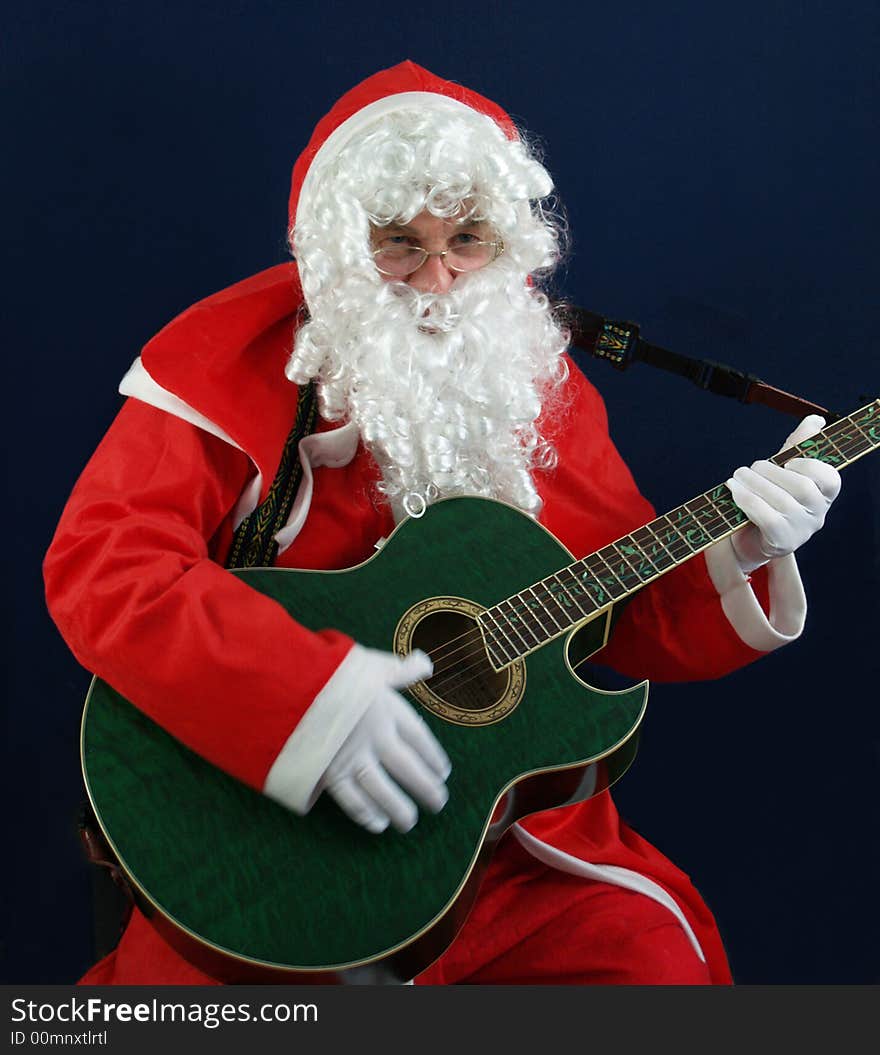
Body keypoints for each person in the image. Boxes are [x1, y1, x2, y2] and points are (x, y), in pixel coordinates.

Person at [44, 60, 841, 986]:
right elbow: (106, 569)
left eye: (468, 238)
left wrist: (741, 545)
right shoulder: (223, 367)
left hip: (501, 854)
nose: (437, 276)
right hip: (254, 835)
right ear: (339, 249)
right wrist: (305, 699)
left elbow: (616, 606)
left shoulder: (535, 379)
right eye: (397, 244)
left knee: (651, 970)